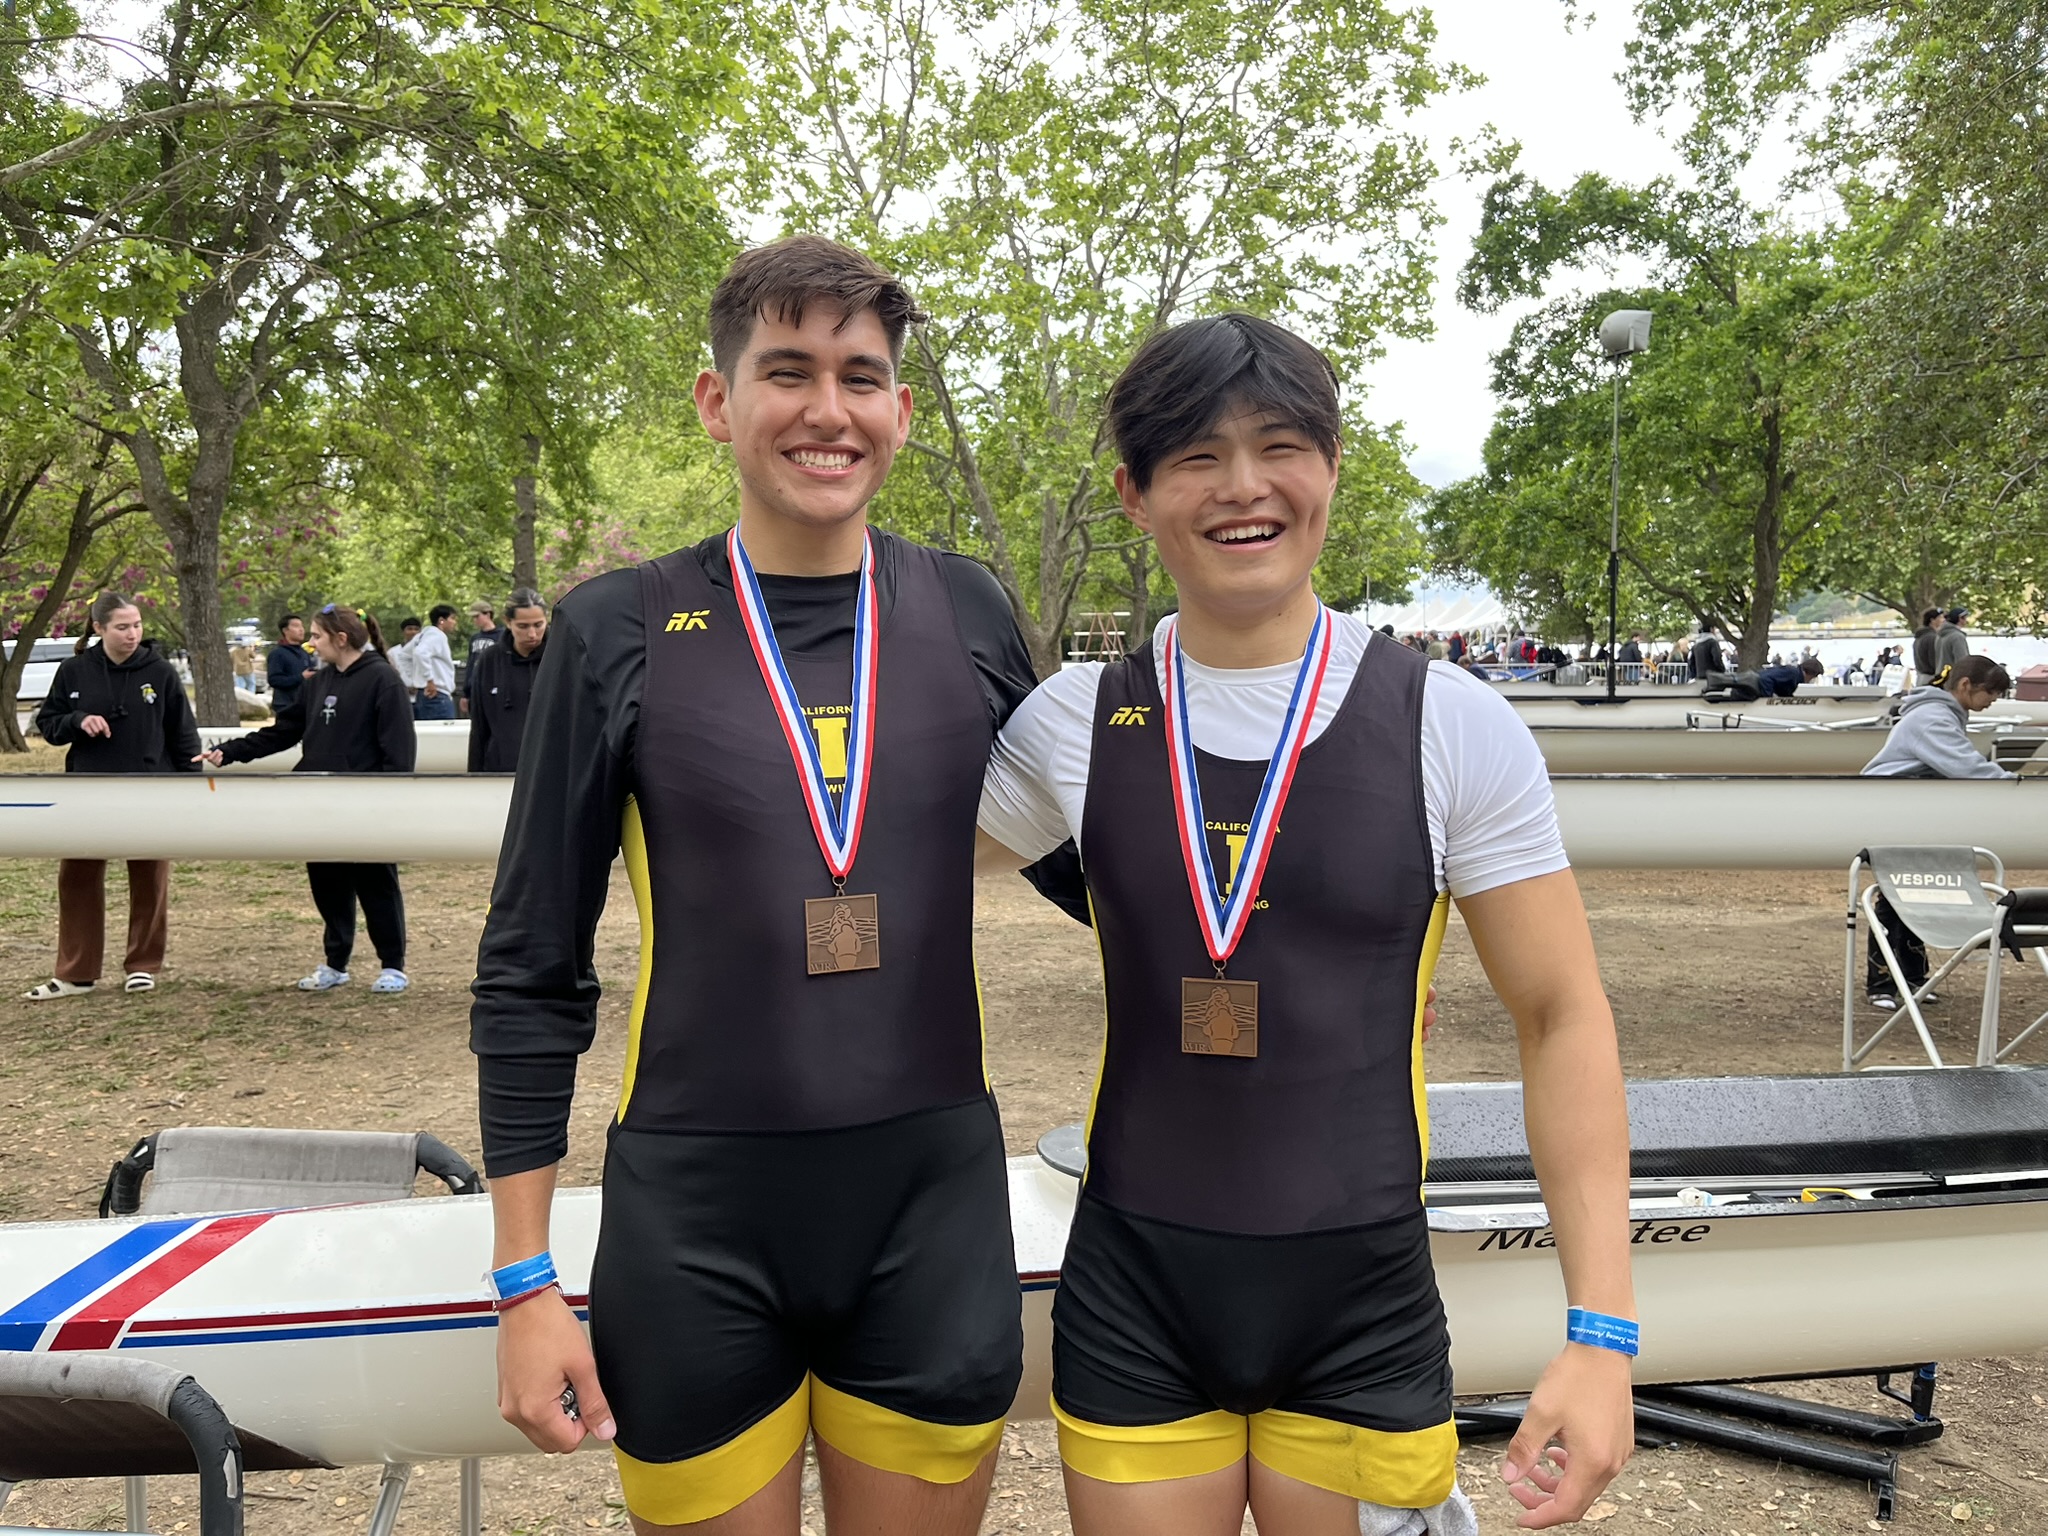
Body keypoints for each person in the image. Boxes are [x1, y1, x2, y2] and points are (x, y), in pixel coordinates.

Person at [976, 314, 1634, 1536]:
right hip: (1134, 1295)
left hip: (1359, 1305)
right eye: (1194, 458)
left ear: (1331, 467)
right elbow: (852, 863)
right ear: (1133, 493)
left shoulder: (1449, 721)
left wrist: (1599, 1336)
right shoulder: (1073, 719)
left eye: (1279, 446)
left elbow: (1560, 1016)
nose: (1242, 488)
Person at [471, 236, 1058, 1535]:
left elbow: (1113, 875)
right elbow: (531, 964)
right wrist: (522, 1280)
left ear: (901, 408)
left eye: (861, 375)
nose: (826, 410)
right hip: (695, 1228)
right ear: (716, 398)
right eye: (786, 370)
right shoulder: (616, 626)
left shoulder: (965, 608)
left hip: (930, 1215)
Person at [198, 604, 416, 993]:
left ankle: (392, 965)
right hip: (318, 802)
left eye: (317, 636)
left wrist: (389, 804)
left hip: (365, 806)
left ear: (341, 639)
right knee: (328, 884)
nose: (311, 644)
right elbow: (282, 733)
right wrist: (228, 751)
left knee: (375, 883)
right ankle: (336, 963)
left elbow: (398, 753)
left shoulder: (384, 681)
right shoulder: (317, 683)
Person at [25, 593, 200, 999]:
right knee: (78, 878)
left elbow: (182, 732)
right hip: (89, 788)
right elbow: (48, 724)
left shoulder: (159, 671)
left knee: (150, 876)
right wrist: (77, 720)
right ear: (99, 628)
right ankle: (76, 972)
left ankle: (142, 965)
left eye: (137, 625)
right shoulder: (73, 671)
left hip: (149, 787)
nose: (132, 634)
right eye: (122, 627)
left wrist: (190, 784)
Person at [1860, 656, 2015, 1009]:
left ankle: (1913, 979)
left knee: (1915, 892)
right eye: (1991, 692)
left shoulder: (1943, 715)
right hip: (1890, 810)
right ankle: (1881, 984)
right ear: (1965, 686)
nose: (1993, 700)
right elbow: (1967, 767)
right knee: (1892, 895)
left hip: (1910, 810)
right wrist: (2013, 785)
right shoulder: (1932, 718)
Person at [466, 588, 549, 773]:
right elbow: (479, 726)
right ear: (508, 622)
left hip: (550, 773)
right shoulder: (489, 660)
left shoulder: (562, 658)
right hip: (500, 770)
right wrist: (474, 776)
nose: (532, 634)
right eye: (523, 626)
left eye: (538, 625)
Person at [411, 604, 459, 720]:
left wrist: (413, 679)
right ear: (441, 620)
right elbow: (420, 653)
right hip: (437, 695)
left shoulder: (422, 636)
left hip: (424, 695)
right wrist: (429, 680)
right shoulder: (437, 635)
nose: (454, 622)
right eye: (452, 618)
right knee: (444, 736)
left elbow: (404, 655)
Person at [267, 615, 314, 714]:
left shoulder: (304, 653)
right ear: (285, 630)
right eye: (296, 626)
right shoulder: (278, 654)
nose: (301, 629)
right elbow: (274, 680)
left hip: (304, 704)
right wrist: (301, 677)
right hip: (285, 705)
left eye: (302, 626)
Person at [1756, 657, 1824, 697]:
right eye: (1812, 677)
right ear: (1809, 673)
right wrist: (1767, 699)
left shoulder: (1794, 674)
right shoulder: (1792, 673)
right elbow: (1765, 678)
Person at [1911, 608, 1944, 683]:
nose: (1943, 620)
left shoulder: (1919, 638)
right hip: (1931, 678)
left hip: (1920, 677)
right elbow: (1934, 661)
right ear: (1932, 620)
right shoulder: (1932, 638)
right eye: (1941, 617)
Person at [1938, 606, 1972, 676]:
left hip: (1940, 677)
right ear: (1960, 618)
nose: (1966, 620)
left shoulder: (1940, 635)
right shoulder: (1957, 637)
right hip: (1952, 680)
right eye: (1965, 618)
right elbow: (1963, 662)